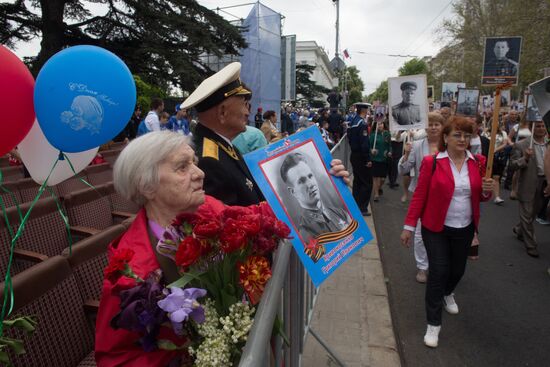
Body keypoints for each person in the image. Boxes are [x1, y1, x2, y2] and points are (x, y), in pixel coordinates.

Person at [95, 131, 222, 366]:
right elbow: (115, 357)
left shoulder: (208, 209)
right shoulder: (131, 274)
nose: (200, 173)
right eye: (183, 167)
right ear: (147, 186)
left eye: (194, 162)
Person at [181, 62, 350, 206]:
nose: (249, 111)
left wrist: (328, 179)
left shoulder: (223, 147)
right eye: (244, 103)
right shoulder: (209, 162)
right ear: (223, 113)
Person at [400, 116, 493, 348]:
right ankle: (433, 324)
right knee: (438, 272)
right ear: (446, 138)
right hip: (435, 227)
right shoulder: (432, 162)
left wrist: (488, 190)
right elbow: (419, 196)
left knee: (457, 271)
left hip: (465, 227)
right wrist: (409, 227)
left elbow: (481, 197)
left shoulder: (479, 162)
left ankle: (447, 292)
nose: (463, 139)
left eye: (466, 135)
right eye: (457, 135)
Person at [398, 112, 444, 283]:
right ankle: (422, 267)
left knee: (442, 232)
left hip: (445, 197)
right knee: (419, 234)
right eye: (430, 124)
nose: (433, 127)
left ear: (442, 127)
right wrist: (405, 154)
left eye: (437, 124)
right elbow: (404, 170)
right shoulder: (417, 145)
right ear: (425, 126)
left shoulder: (449, 145)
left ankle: (439, 264)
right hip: (422, 196)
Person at [280, 152, 351, 244]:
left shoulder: (340, 213)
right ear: (293, 191)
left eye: (310, 176)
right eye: (301, 181)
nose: (310, 184)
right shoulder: (303, 234)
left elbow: (358, 234)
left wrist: (344, 189)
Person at [509, 120, 548, 258]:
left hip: (545, 183)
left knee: (533, 213)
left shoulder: (548, 144)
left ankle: (519, 230)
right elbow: (512, 166)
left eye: (543, 126)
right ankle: (531, 245)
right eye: (538, 126)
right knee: (526, 214)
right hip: (528, 182)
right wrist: (525, 158)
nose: (541, 128)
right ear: (532, 128)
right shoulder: (521, 144)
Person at [347, 103, 373, 216]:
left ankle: (356, 206)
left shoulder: (353, 121)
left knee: (357, 181)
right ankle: (362, 208)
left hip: (354, 154)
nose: (368, 111)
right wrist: (367, 158)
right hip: (361, 156)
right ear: (363, 110)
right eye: (367, 109)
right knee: (366, 183)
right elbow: (364, 144)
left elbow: (349, 138)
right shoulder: (362, 124)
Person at [484, 120, 510, 204]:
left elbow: (504, 143)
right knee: (485, 175)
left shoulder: (503, 133)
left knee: (496, 177)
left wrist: (494, 150)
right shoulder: (485, 132)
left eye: (497, 123)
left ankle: (497, 197)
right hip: (486, 155)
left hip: (497, 156)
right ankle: (483, 192)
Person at [369, 118, 391, 202]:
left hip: (384, 159)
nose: (380, 125)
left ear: (384, 125)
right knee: (375, 178)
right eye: (378, 124)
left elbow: (390, 145)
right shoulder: (373, 135)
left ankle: (379, 188)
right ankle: (376, 194)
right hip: (375, 159)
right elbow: (369, 146)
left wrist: (390, 152)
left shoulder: (387, 134)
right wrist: (371, 150)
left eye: (381, 124)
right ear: (376, 125)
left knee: (382, 179)